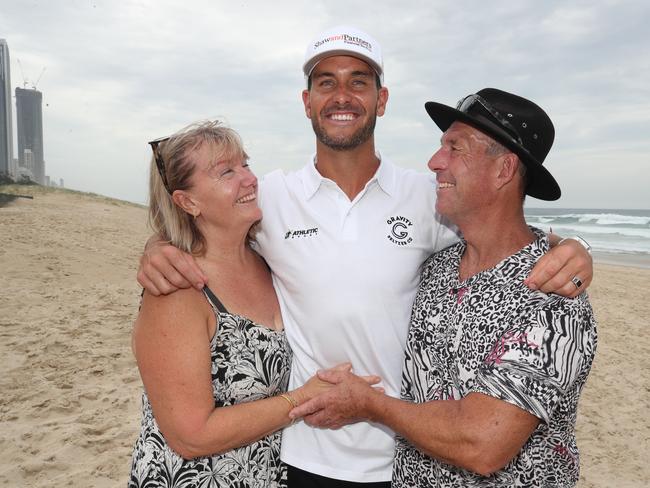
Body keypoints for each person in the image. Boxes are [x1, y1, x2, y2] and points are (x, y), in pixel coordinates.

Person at [136, 28, 594, 487]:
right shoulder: (269, 198)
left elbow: (499, 232)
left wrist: (574, 248)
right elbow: (202, 225)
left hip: (401, 459)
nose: (342, 96)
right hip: (302, 452)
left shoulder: (427, 197)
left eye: (358, 82)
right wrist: (157, 248)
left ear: (381, 99)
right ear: (306, 101)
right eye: (326, 82)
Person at [291, 89, 597, 487]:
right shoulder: (439, 267)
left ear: (504, 170)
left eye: (455, 148)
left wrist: (369, 404)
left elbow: (482, 444)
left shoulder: (551, 299)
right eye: (441, 147)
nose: (435, 162)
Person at [127, 120, 370, 487]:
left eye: (246, 164)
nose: (249, 179)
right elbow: (190, 435)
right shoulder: (179, 288)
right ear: (188, 201)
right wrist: (302, 399)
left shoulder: (267, 260)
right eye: (226, 172)